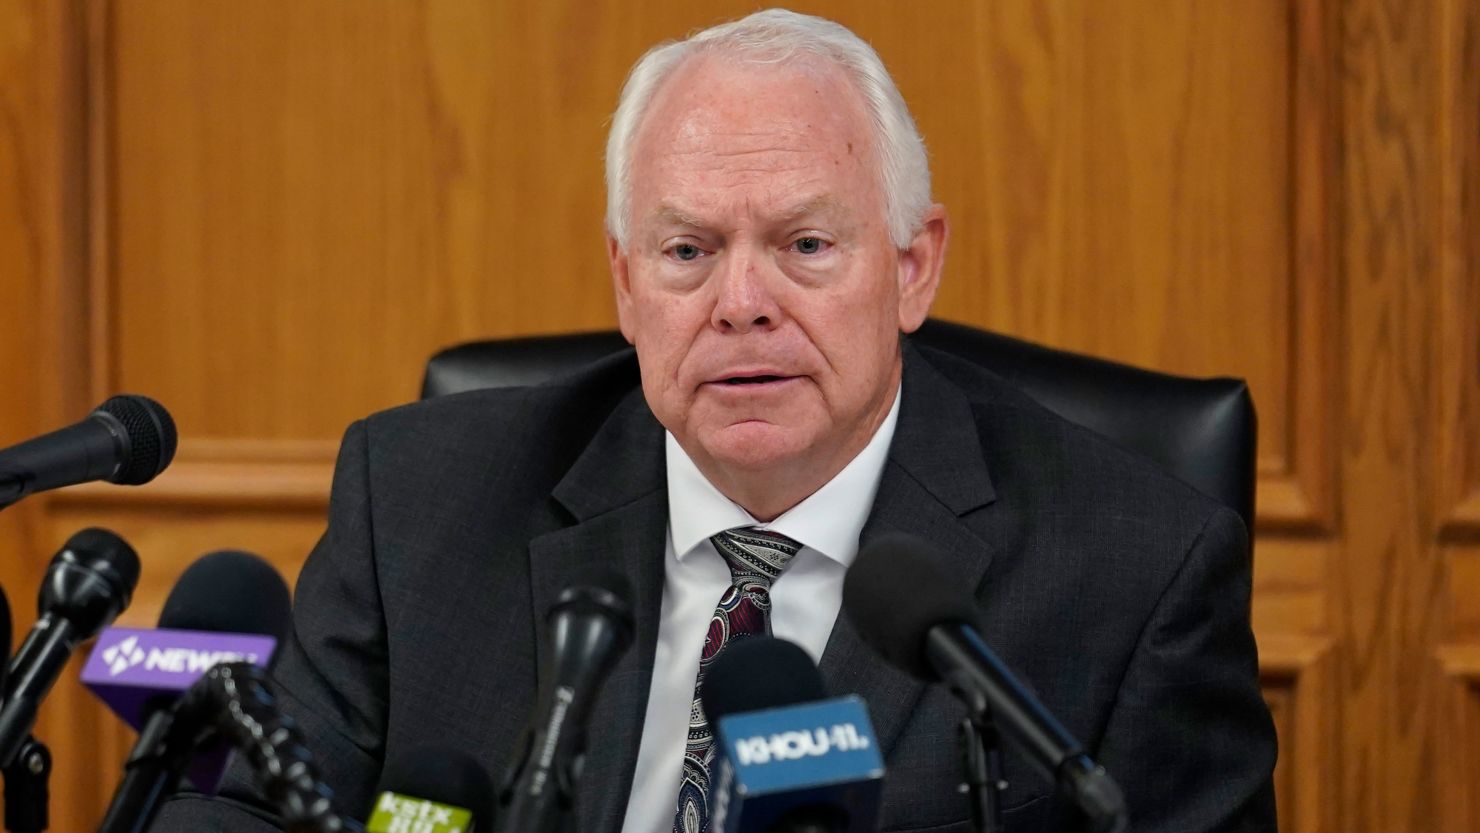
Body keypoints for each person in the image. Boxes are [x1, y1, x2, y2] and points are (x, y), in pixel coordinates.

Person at [155, 9, 1275, 833]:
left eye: (804, 245)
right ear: (624, 280)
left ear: (911, 266)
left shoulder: (1134, 576)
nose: (741, 302)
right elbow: (239, 810)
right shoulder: (418, 502)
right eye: (687, 250)